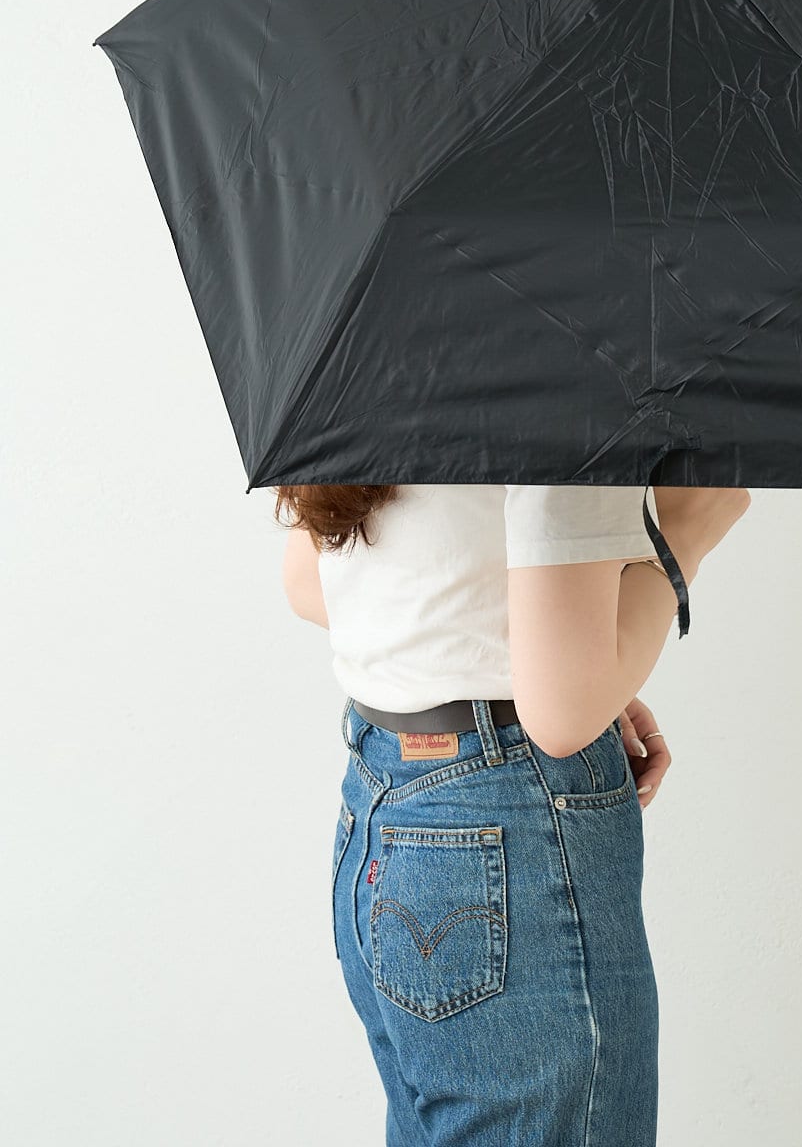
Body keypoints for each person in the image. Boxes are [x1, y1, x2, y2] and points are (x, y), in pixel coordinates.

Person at [278, 480, 751, 1146]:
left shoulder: (373, 407)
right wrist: (685, 532)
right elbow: (562, 718)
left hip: (381, 810)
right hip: (504, 823)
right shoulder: (562, 413)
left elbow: (310, 584)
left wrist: (560, 661)